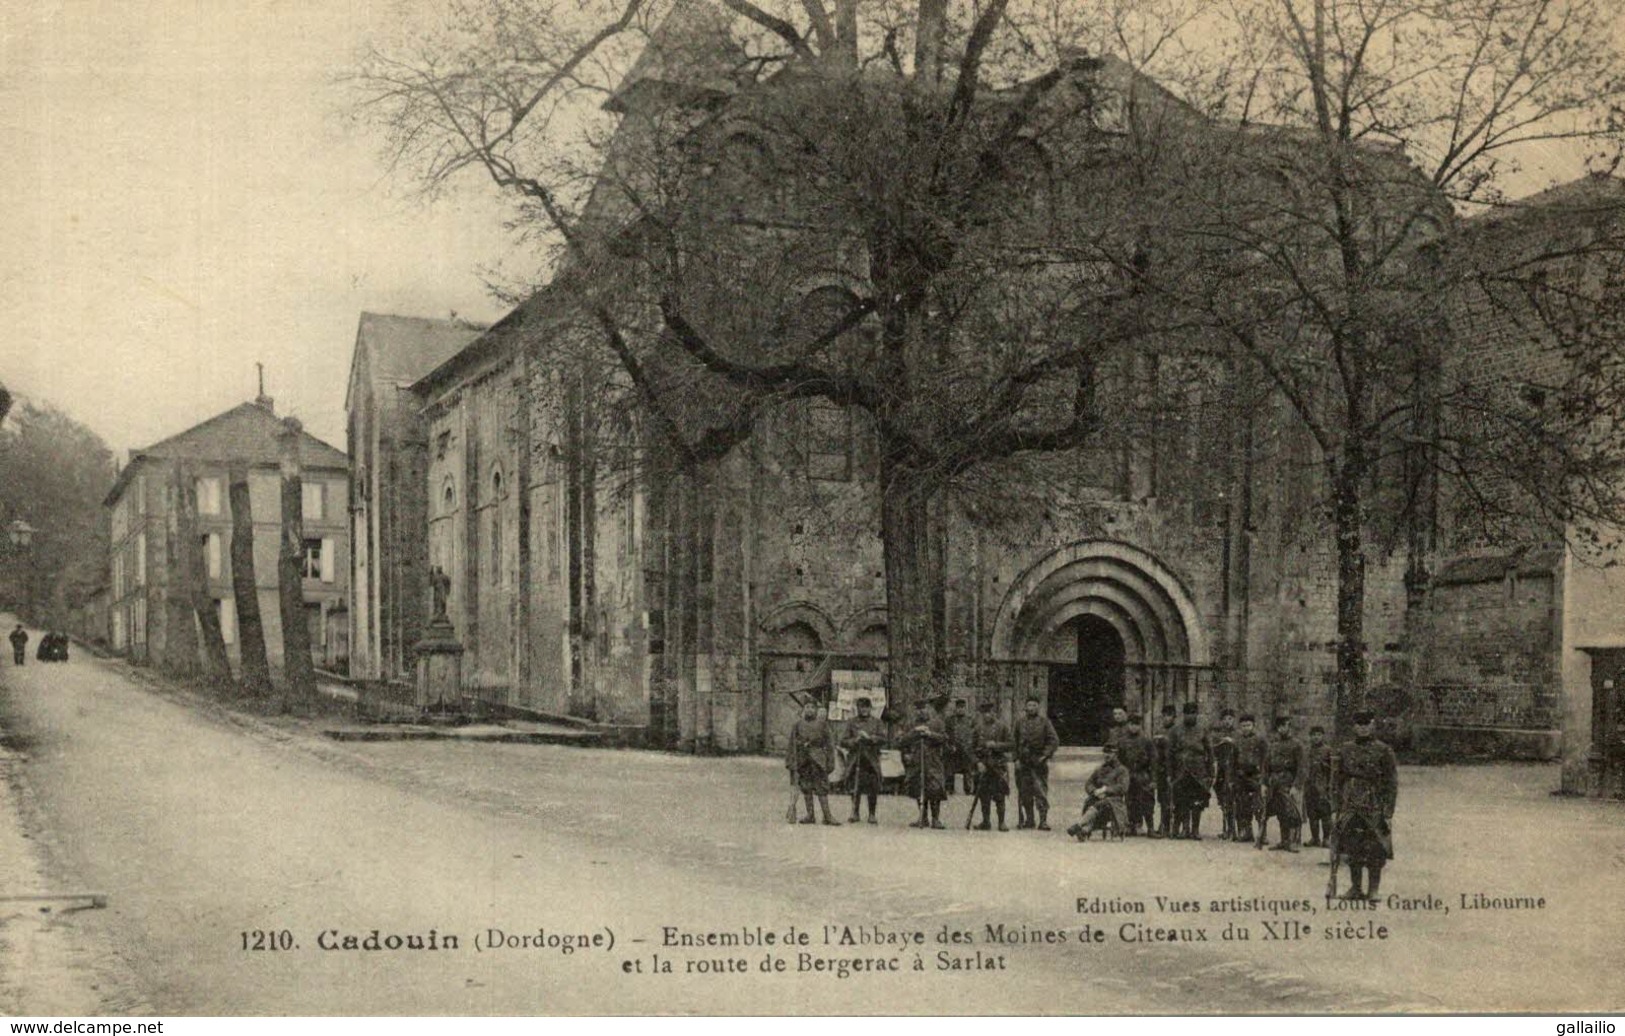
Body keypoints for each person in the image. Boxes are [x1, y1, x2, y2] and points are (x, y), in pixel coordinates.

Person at [1335, 710, 1399, 901]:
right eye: (1359, 724)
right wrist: (1335, 808)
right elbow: (1337, 780)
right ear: (1354, 726)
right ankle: (1355, 888)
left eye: (1367, 724)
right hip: (1350, 802)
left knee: (1375, 847)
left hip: (1374, 803)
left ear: (1373, 725)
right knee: (1352, 845)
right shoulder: (1345, 749)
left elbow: (1391, 782)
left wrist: (1388, 812)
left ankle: (1373, 890)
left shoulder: (1384, 750)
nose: (1363, 728)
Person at [786, 698, 840, 826]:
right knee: (806, 787)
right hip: (803, 760)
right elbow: (792, 745)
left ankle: (827, 816)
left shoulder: (823, 725)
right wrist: (791, 762)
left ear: (816, 710)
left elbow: (829, 745)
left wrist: (830, 762)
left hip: (818, 760)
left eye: (812, 707)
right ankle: (810, 815)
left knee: (822, 788)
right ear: (803, 710)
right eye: (807, 707)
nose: (809, 710)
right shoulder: (797, 725)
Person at [897, 699, 949, 829]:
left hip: (933, 761)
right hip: (916, 761)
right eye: (918, 709)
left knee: (935, 787)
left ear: (929, 708)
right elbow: (901, 741)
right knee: (918, 786)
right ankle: (923, 817)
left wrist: (930, 734)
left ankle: (936, 819)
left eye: (924, 708)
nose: (921, 711)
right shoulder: (911, 724)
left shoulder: (937, 723)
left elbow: (944, 738)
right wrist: (915, 732)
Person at [1166, 702, 1213, 839]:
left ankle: (1195, 830)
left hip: (1198, 771)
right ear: (1183, 715)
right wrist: (1169, 773)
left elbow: (1210, 753)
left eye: (1193, 713)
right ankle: (1185, 829)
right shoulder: (1175, 730)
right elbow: (1169, 754)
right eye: (1187, 713)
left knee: (1197, 801)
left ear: (1197, 714)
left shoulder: (1203, 729)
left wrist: (1210, 773)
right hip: (1181, 771)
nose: (1190, 716)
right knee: (1182, 801)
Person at [1014, 696, 1060, 831]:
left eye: (1034, 705)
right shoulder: (1019, 723)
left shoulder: (1045, 722)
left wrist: (1045, 755)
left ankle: (1043, 821)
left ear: (1038, 707)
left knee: (1040, 792)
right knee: (1024, 792)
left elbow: (1054, 740)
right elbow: (1014, 742)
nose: (1031, 708)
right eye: (1029, 705)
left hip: (1038, 763)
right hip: (1023, 763)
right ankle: (1029, 820)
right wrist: (1015, 759)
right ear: (1025, 707)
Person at [1261, 715, 1306, 852]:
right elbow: (1266, 765)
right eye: (1280, 726)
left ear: (1289, 727)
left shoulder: (1297, 745)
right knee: (1280, 812)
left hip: (1289, 782)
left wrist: (1296, 786)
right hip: (1275, 783)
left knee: (1291, 812)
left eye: (1285, 726)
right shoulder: (1273, 744)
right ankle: (1283, 840)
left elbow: (1302, 767)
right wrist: (1264, 783)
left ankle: (1292, 842)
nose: (1282, 729)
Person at [1069, 743, 1130, 841]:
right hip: (1099, 798)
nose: (1107, 755)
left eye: (1110, 753)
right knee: (1090, 801)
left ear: (1116, 755)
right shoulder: (1100, 769)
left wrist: (1106, 789)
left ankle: (1079, 825)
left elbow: (1123, 787)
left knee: (1101, 804)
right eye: (1105, 753)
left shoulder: (1122, 770)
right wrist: (1095, 791)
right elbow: (1089, 783)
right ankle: (1084, 830)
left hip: (1115, 802)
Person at [841, 697, 888, 824]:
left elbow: (884, 739)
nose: (864, 710)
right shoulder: (851, 722)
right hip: (856, 759)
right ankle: (855, 812)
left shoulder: (877, 722)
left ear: (870, 708)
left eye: (866, 707)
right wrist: (855, 740)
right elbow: (843, 740)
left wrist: (870, 738)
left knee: (872, 787)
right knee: (855, 786)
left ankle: (872, 814)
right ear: (857, 709)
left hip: (871, 759)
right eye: (861, 707)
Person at [970, 699, 1012, 831]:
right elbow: (970, 749)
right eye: (985, 713)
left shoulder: (1003, 727)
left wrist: (997, 745)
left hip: (998, 766)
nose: (987, 715)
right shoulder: (977, 729)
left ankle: (1002, 822)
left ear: (995, 713)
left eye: (990, 712)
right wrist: (977, 762)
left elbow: (1011, 744)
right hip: (983, 766)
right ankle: (986, 822)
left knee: (1000, 794)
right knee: (984, 795)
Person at [1115, 713, 1157, 836]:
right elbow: (1119, 760)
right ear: (1128, 725)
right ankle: (1131, 826)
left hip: (1143, 774)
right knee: (1130, 801)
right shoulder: (1122, 741)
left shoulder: (1146, 740)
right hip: (1128, 774)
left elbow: (1153, 760)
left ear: (1140, 725)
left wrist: (1153, 779)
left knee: (1147, 801)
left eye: (1137, 724)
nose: (1134, 727)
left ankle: (1150, 828)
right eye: (1132, 724)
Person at [1232, 713, 1267, 844]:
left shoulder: (1260, 740)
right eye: (1243, 726)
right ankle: (1246, 833)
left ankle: (1262, 834)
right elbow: (1233, 759)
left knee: (1259, 805)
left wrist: (1264, 777)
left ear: (1254, 725)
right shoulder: (1237, 740)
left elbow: (1265, 760)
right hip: (1241, 776)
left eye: (1248, 725)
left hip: (1256, 776)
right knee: (1242, 805)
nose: (1246, 728)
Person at [1211, 708, 1239, 840]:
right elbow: (1213, 751)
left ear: (1233, 720)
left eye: (1230, 719)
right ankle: (1225, 828)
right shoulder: (1218, 736)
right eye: (1225, 719)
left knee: (1233, 800)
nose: (1227, 722)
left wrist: (1232, 742)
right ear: (1221, 721)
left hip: (1234, 772)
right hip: (1222, 771)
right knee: (1223, 801)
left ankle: (1233, 830)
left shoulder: (1238, 735)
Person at [1303, 725, 1333, 848]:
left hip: (1323, 785)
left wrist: (1329, 785)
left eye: (1319, 735)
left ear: (1323, 736)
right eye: (1314, 735)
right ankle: (1315, 838)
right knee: (1312, 813)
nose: (1316, 737)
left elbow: (1333, 770)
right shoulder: (1307, 751)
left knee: (1325, 813)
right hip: (1310, 786)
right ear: (1310, 737)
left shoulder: (1328, 750)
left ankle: (1326, 838)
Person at [1152, 704, 1177, 838]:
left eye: (1169, 716)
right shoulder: (1159, 730)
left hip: (1173, 769)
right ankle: (1163, 824)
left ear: (1174, 717)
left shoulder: (1177, 731)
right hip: (1161, 768)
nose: (1166, 719)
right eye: (1164, 716)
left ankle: (1171, 826)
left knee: (1172, 798)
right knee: (1162, 799)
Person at [944, 697, 977, 796]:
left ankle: (968, 789)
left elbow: (975, 734)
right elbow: (946, 734)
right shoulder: (950, 720)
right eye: (959, 707)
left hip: (967, 749)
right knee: (950, 769)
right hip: (953, 749)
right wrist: (950, 745)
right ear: (956, 708)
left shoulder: (970, 720)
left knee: (968, 769)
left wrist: (971, 746)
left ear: (965, 708)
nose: (960, 709)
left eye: (962, 707)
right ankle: (949, 789)